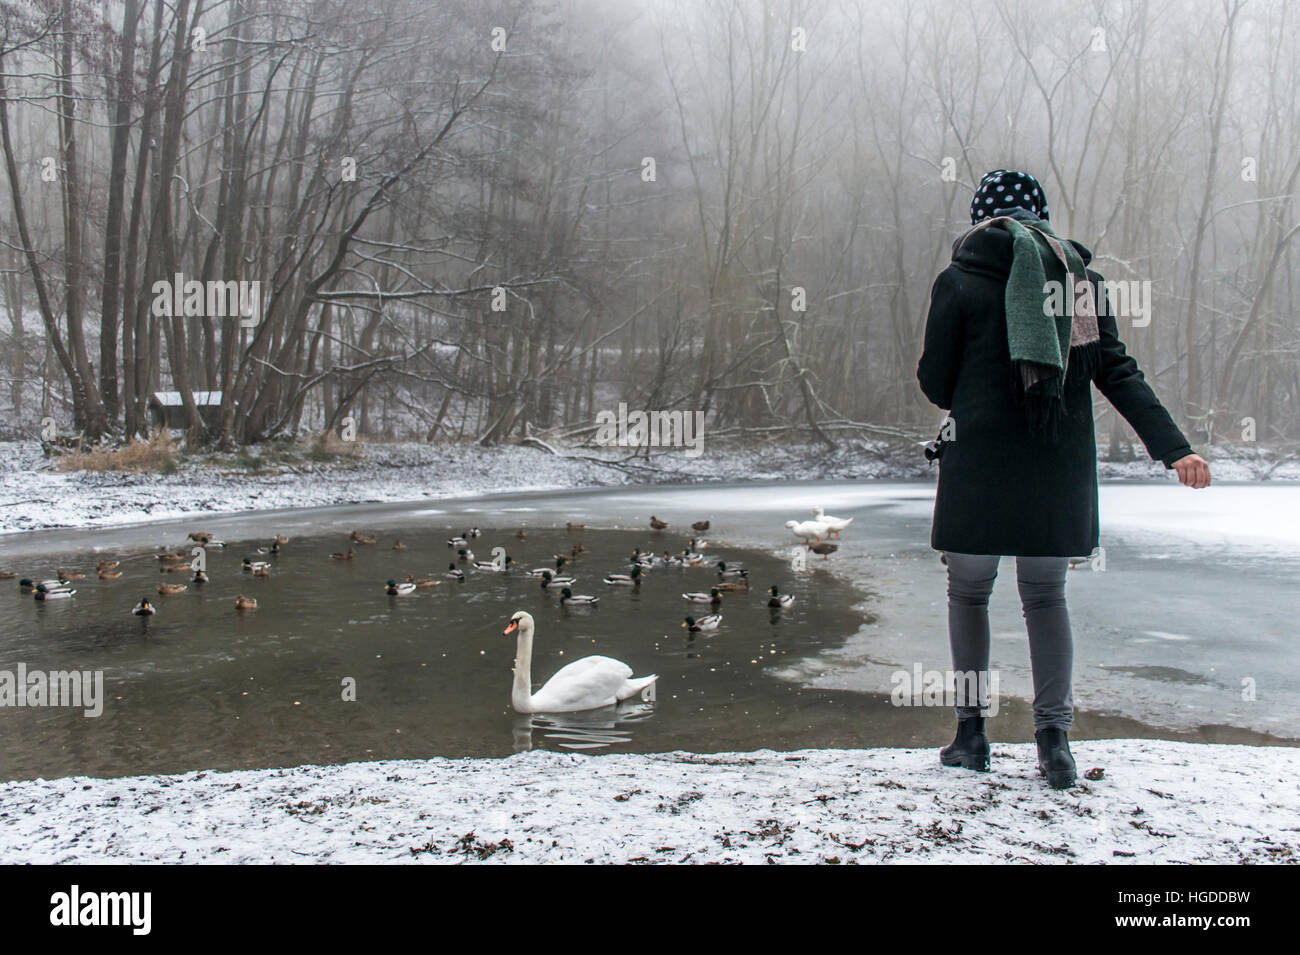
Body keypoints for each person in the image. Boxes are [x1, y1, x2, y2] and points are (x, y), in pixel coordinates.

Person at [916, 169, 1211, 789]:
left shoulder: (960, 280)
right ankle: (1055, 747)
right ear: (1042, 217)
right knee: (1045, 599)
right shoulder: (1079, 285)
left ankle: (971, 738)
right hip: (1055, 469)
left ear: (980, 220)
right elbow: (1117, 373)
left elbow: (937, 384)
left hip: (979, 466)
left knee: (969, 596)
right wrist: (1173, 448)